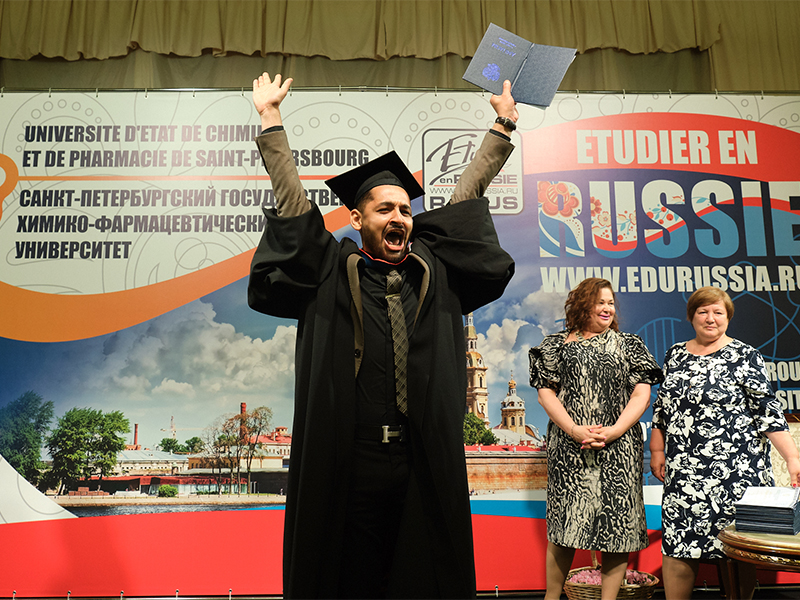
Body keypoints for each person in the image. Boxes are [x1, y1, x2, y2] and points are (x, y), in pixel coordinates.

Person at [247, 72, 517, 599]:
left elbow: (465, 201)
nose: (401, 218)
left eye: (406, 209)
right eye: (385, 209)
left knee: (422, 576)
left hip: (419, 461)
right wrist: (271, 122)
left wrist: (501, 127)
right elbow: (294, 205)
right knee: (345, 577)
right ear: (357, 217)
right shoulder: (329, 269)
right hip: (349, 462)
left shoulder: (432, 270)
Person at [650, 286, 800, 600]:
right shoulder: (675, 354)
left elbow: (768, 413)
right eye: (703, 311)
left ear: (728, 317)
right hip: (684, 474)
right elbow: (662, 409)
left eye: (718, 312)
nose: (711, 318)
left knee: (738, 548)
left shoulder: (746, 355)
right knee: (679, 544)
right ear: (691, 316)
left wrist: (792, 458)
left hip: (737, 473)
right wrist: (657, 449)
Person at [528, 277, 663, 600]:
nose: (607, 308)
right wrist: (574, 430)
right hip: (569, 448)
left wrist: (615, 430)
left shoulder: (629, 344)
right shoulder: (555, 345)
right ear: (582, 304)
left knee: (618, 527)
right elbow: (546, 394)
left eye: (611, 303)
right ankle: (551, 597)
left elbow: (642, 395)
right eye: (600, 301)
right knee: (564, 528)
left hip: (618, 449)